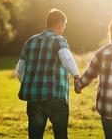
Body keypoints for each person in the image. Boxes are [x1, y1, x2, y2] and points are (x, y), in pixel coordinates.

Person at [16, 8, 80, 139]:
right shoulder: (59, 40)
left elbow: (19, 71)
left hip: (34, 99)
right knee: (61, 135)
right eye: (63, 26)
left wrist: (32, 85)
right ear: (60, 25)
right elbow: (66, 58)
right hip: (55, 96)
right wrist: (76, 75)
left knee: (35, 135)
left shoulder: (30, 42)